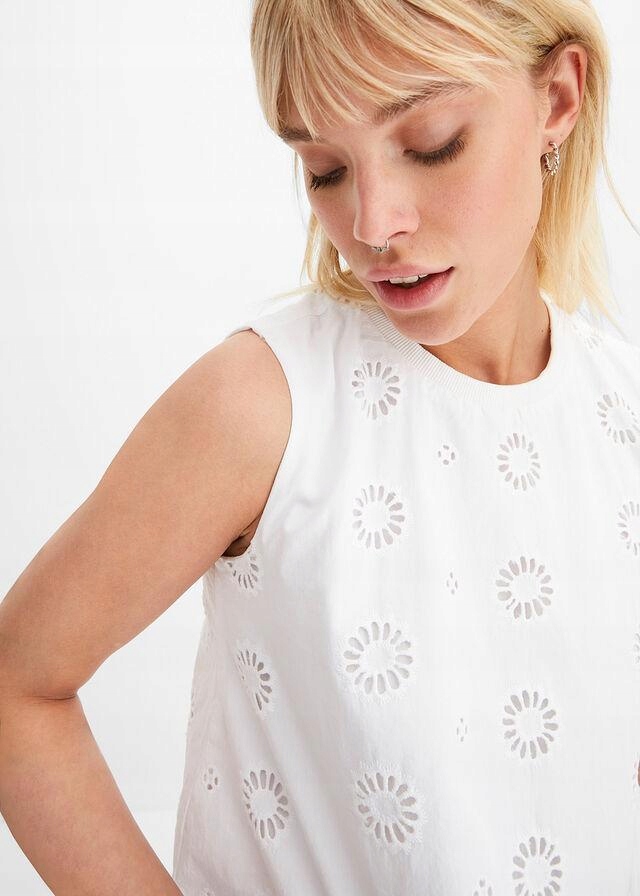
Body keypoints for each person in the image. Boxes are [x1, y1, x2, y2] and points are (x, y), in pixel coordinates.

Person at [0, 1, 639, 895]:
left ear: (558, 100)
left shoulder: (621, 410)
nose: (373, 223)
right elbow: (17, 684)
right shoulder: (266, 406)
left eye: (433, 144)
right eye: (325, 168)